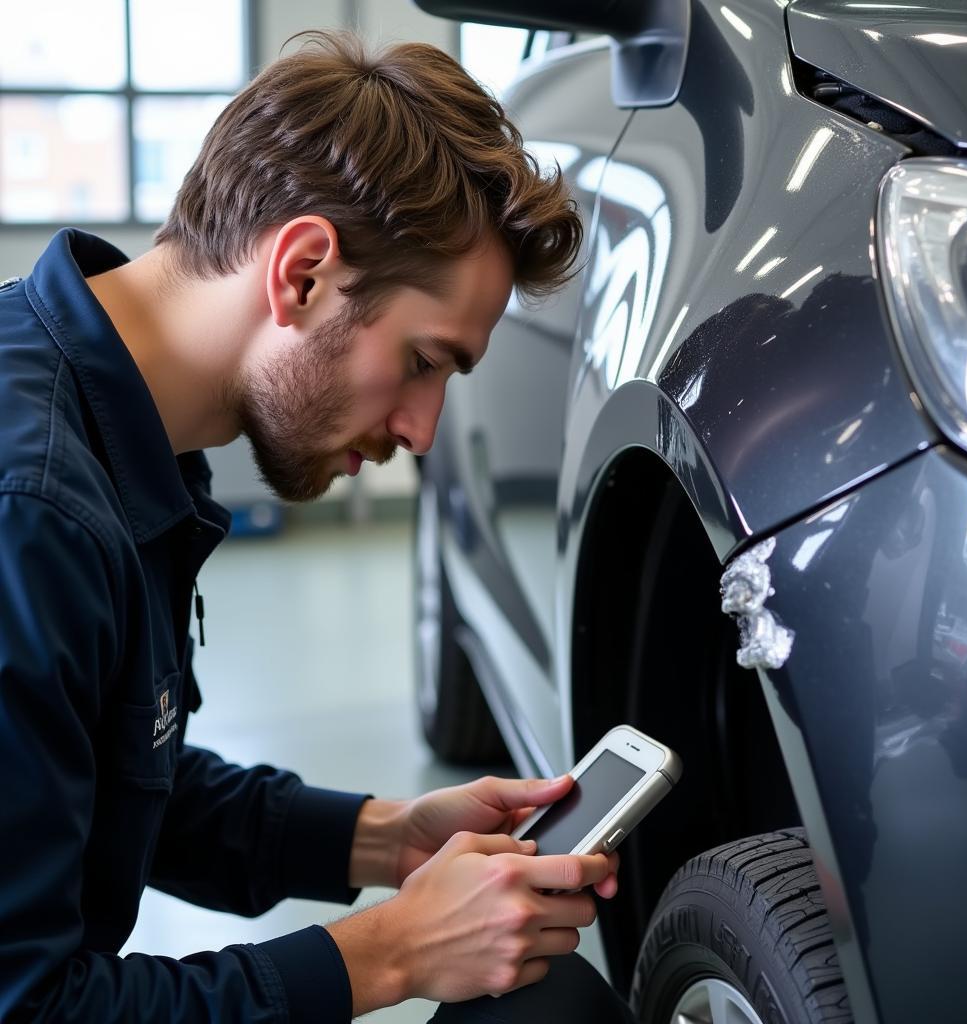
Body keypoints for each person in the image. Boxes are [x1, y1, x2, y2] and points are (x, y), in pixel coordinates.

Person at [0, 29, 638, 1024]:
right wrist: (392, 950)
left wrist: (388, 838)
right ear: (300, 273)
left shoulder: (102, 424)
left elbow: (102, 782)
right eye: (423, 361)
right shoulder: (30, 516)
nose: (424, 434)